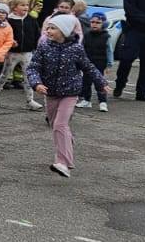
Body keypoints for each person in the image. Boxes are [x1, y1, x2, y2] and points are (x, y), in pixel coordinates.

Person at [28, 13, 108, 177]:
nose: (48, 31)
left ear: (63, 31)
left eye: (52, 28)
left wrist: (101, 83)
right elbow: (33, 67)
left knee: (60, 125)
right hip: (50, 92)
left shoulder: (76, 48)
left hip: (70, 93)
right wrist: (37, 83)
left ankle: (63, 163)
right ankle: (67, 145)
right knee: (55, 125)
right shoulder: (44, 46)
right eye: (48, 27)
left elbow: (88, 67)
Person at [0, 0, 43, 112]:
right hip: (12, 53)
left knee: (28, 77)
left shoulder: (31, 19)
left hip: (27, 53)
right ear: (14, 7)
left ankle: (30, 100)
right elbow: (3, 35)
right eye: (22, 5)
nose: (25, 7)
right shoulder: (9, 20)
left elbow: (37, 34)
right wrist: (10, 42)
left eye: (26, 5)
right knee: (5, 74)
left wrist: (36, 48)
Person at [77, 14, 111, 111]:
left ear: (103, 24)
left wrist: (109, 65)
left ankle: (103, 102)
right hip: (87, 62)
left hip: (100, 63)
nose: (94, 24)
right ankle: (87, 100)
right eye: (92, 22)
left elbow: (109, 51)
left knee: (100, 83)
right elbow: (82, 48)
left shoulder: (106, 36)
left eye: (98, 22)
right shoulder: (87, 35)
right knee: (86, 82)